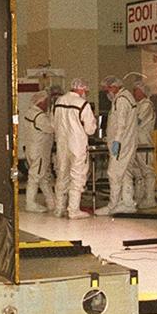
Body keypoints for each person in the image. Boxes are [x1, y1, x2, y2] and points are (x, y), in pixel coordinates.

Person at [52, 78, 97, 219]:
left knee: (62, 175)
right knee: (77, 176)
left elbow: (53, 124)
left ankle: (59, 208)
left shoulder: (59, 102)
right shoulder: (82, 104)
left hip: (61, 144)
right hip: (77, 145)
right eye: (85, 90)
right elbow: (90, 130)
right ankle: (73, 210)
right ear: (82, 89)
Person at [97, 76, 139, 216]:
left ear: (113, 87)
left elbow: (121, 124)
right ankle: (127, 202)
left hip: (121, 144)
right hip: (127, 143)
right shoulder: (126, 97)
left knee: (113, 174)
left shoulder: (121, 100)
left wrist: (117, 141)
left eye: (107, 89)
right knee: (126, 173)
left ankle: (112, 205)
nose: (107, 92)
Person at [19, 91, 56, 213]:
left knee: (43, 177)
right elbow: (51, 128)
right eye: (46, 103)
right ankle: (30, 203)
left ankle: (51, 202)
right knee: (35, 177)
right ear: (41, 102)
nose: (47, 105)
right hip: (39, 152)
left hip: (31, 150)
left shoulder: (29, 113)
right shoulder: (39, 117)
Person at [132, 81, 157, 209]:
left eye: (136, 90)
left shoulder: (147, 105)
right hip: (135, 143)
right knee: (137, 172)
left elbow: (137, 121)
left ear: (143, 91)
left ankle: (150, 198)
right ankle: (138, 197)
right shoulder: (137, 105)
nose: (134, 92)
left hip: (144, 142)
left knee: (147, 171)